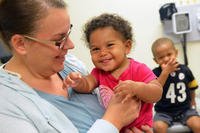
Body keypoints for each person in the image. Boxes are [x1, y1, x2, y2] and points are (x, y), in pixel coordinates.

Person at [0, 0, 156, 133]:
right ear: (21, 44)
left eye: (68, 34)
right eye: (59, 40)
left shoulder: (70, 65)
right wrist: (113, 122)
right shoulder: (6, 105)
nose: (71, 45)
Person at [65, 13, 162, 132]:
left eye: (110, 45)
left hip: (141, 129)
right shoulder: (98, 73)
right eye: (95, 49)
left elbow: (157, 92)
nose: (102, 53)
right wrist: (78, 81)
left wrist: (137, 88)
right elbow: (87, 85)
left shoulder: (138, 69)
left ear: (127, 46)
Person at [151, 37, 200, 133]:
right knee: (158, 127)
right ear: (156, 60)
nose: (166, 59)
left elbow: (192, 87)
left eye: (169, 54)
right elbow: (154, 89)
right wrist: (165, 72)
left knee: (197, 124)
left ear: (176, 53)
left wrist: (193, 101)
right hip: (163, 111)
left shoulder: (185, 70)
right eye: (161, 57)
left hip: (185, 109)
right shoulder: (155, 73)